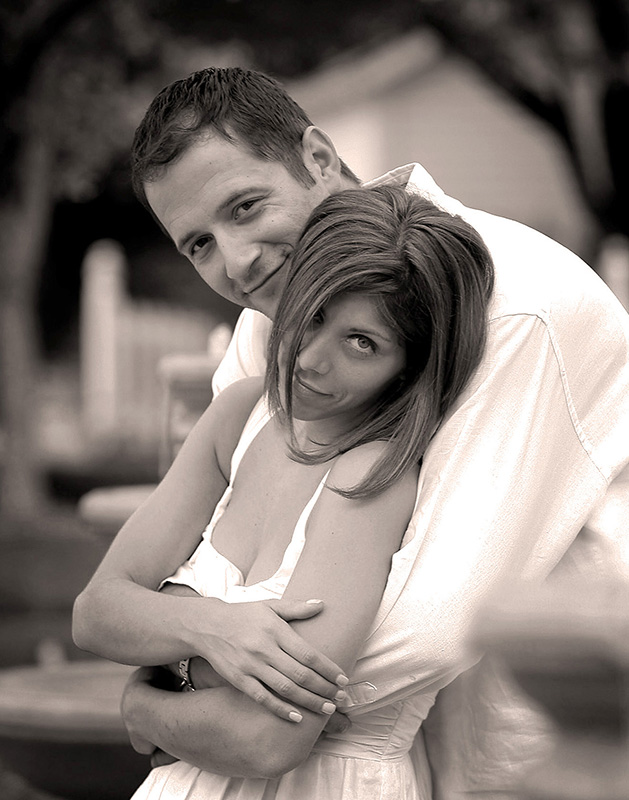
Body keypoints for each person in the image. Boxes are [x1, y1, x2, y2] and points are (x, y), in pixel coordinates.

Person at [74, 66, 629, 797]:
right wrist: (206, 633)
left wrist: (158, 695)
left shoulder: (520, 306)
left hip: (545, 737)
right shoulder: (265, 329)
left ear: (318, 157)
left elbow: (424, 627)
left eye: (245, 207)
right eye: (198, 244)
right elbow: (185, 565)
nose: (237, 261)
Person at [74, 184, 495, 799]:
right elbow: (95, 613)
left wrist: (144, 704)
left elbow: (268, 740)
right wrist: (212, 628)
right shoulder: (240, 415)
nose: (311, 360)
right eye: (315, 314)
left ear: (408, 366)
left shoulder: (368, 475)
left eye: (362, 342)